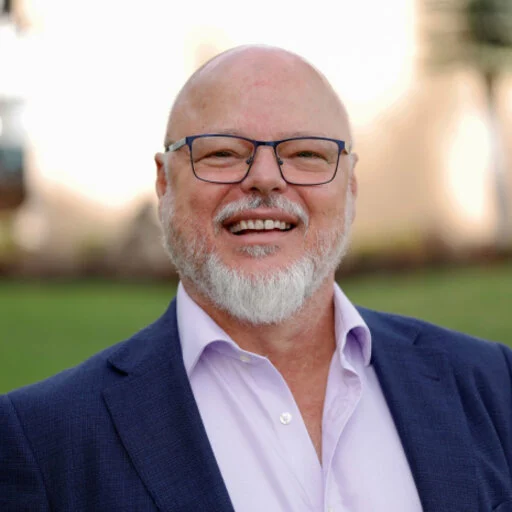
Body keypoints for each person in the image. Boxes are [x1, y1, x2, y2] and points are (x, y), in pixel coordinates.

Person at [1, 45, 511, 512]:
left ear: (350, 185)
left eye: (306, 154)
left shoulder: (494, 385)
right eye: (222, 153)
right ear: (163, 182)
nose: (265, 178)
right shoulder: (44, 442)